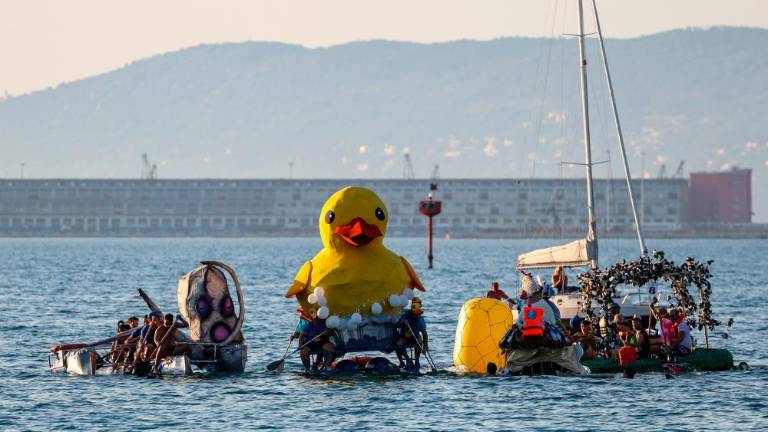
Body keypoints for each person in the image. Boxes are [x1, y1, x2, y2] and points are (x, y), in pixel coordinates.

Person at [396, 297, 429, 369]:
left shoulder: (420, 320)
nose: (416, 316)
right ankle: (406, 360)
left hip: (415, 336)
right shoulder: (405, 315)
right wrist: (402, 322)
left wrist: (425, 347)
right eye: (415, 314)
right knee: (398, 344)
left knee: (419, 341)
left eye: (417, 315)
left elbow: (424, 334)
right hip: (404, 336)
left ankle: (417, 360)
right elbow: (396, 325)